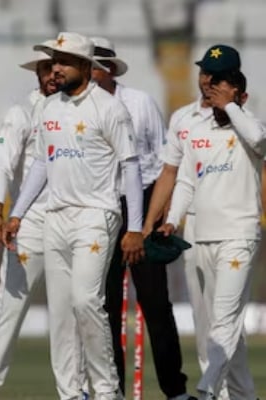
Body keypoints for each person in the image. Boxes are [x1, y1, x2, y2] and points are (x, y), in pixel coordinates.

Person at [3, 32, 145, 400]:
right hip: (56, 215)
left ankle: (107, 390)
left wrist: (135, 228)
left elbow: (131, 167)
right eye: (53, 60)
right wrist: (17, 212)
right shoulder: (49, 108)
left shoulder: (110, 108)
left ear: (85, 66)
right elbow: (40, 164)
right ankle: (70, 393)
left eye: (63, 61)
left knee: (85, 301)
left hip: (97, 215)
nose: (55, 68)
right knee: (61, 314)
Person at [89, 37, 195, 400]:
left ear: (105, 69)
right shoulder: (79, 107)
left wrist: (149, 218)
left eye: (91, 66)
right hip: (101, 206)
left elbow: (157, 161)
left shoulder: (140, 102)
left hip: (143, 201)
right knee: (104, 307)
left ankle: (174, 390)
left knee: (155, 303)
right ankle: (112, 390)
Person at [142, 44, 244, 399]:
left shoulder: (241, 120)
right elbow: (172, 175)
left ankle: (213, 391)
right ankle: (230, 393)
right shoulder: (184, 119)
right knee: (205, 321)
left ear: (231, 81)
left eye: (215, 77)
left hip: (230, 226)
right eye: (204, 73)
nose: (206, 81)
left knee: (224, 319)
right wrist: (155, 222)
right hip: (194, 226)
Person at [158, 69, 264, 400]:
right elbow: (187, 181)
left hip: (239, 235)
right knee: (216, 325)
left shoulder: (250, 126)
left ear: (241, 96)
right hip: (200, 237)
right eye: (211, 87)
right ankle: (243, 395)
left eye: (223, 89)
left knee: (225, 319)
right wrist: (172, 220)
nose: (213, 93)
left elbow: (260, 141)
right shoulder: (196, 130)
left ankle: (207, 391)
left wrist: (231, 107)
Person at [0, 41, 60, 400]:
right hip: (29, 224)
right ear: (37, 74)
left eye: (57, 68)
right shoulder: (23, 111)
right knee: (10, 310)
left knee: (72, 313)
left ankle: (75, 390)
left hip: (74, 221)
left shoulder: (83, 110)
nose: (52, 75)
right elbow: (2, 165)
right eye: (45, 70)